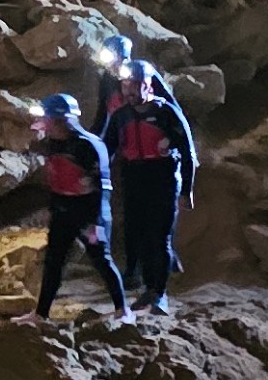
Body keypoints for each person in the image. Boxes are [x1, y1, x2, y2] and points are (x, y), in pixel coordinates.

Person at [102, 61, 196, 315]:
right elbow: (106, 149)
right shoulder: (121, 116)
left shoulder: (166, 113)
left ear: (147, 84)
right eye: (124, 86)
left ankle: (160, 293)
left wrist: (187, 190)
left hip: (162, 178)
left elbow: (187, 151)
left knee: (160, 238)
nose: (128, 91)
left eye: (133, 85)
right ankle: (148, 289)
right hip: (134, 177)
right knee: (139, 235)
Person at [30, 93, 129, 322]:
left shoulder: (89, 146)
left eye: (47, 118)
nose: (43, 123)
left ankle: (122, 309)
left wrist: (96, 223)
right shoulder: (53, 143)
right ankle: (41, 313)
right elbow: (57, 179)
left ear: (61, 120)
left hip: (88, 211)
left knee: (101, 260)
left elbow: (102, 188)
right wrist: (53, 209)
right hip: (64, 209)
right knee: (53, 262)